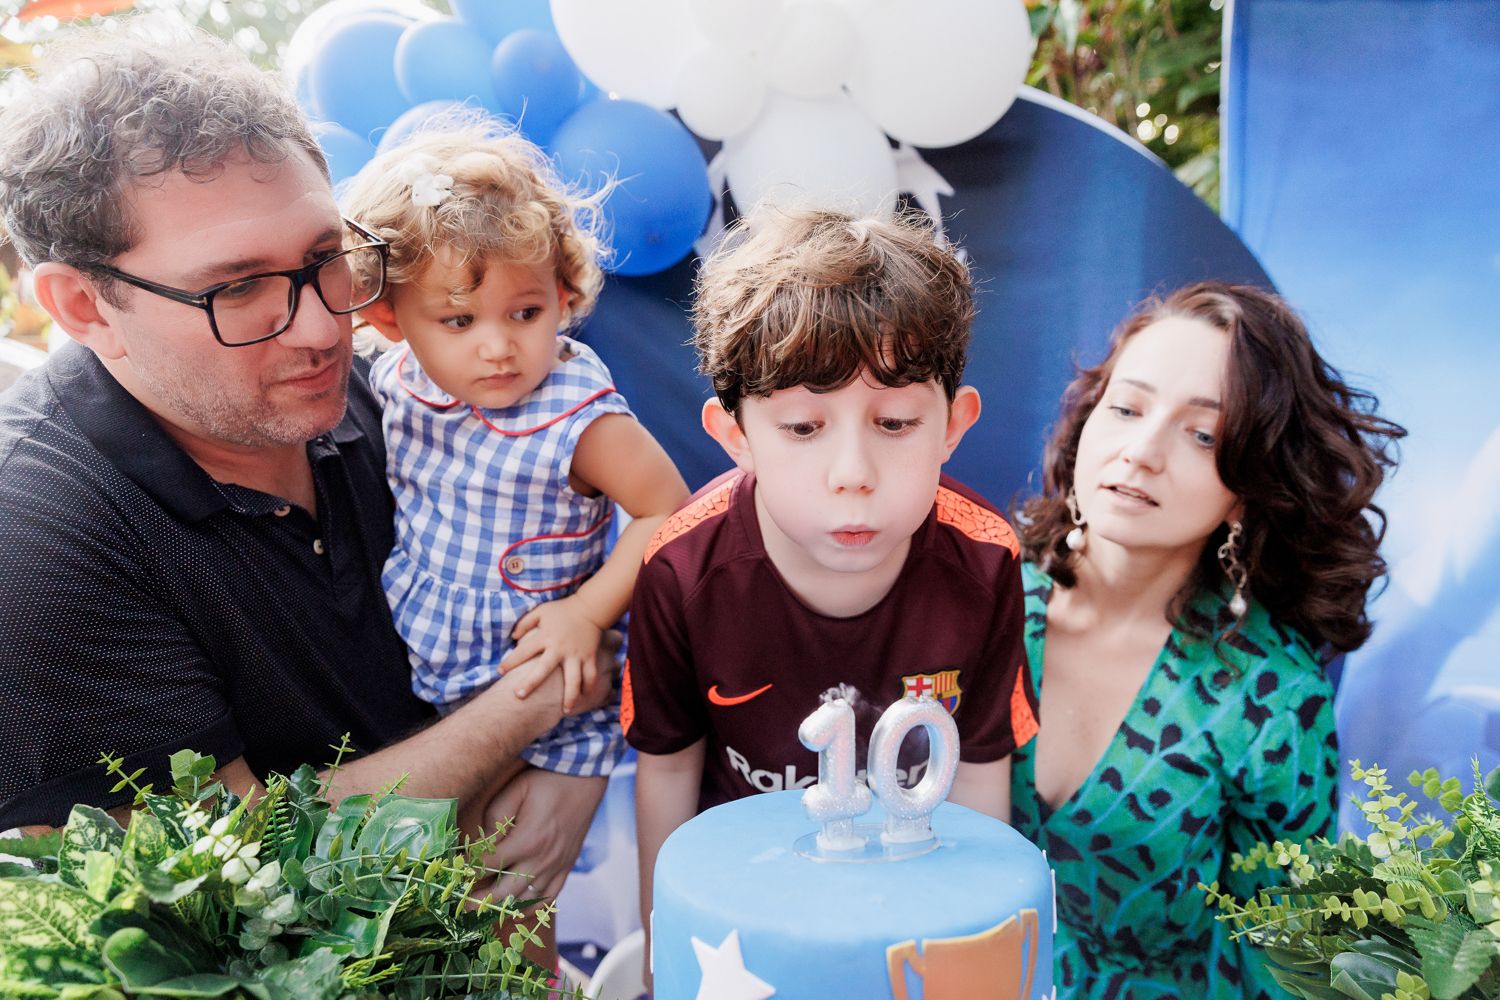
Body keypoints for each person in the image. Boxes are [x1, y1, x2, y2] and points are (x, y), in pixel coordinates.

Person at [0, 21, 612, 935]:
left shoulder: (398, 389)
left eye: (328, 257)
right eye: (238, 287)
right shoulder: (39, 539)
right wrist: (545, 705)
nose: (325, 328)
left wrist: (574, 773)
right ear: (84, 305)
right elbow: (238, 872)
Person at [624, 207, 1041, 971]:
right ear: (735, 435)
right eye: (804, 429)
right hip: (746, 933)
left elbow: (981, 769)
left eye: (894, 422)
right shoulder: (678, 569)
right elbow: (670, 765)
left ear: (953, 424)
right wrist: (667, 954)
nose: (853, 472)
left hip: (911, 923)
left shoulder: (987, 562)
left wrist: (969, 950)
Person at [1009, 282, 1405, 998]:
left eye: (1203, 435)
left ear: (1247, 488)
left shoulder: (1273, 697)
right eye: (1125, 408)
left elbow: (1292, 960)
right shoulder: (981, 601)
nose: (1142, 451)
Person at [340, 126, 687, 827]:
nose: (498, 346)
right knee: (445, 899)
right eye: (458, 320)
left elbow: (667, 512)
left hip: (543, 689)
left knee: (509, 898)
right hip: (433, 678)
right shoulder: (398, 381)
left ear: (564, 296)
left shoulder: (576, 418)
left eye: (525, 313)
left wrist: (585, 614)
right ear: (390, 318)